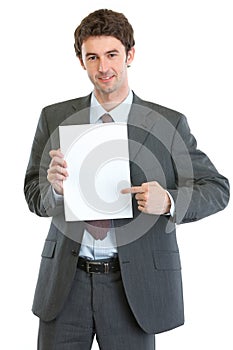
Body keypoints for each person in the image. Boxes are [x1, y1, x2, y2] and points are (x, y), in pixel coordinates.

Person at [24, 8, 230, 350]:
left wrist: (168, 201)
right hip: (65, 285)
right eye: (93, 57)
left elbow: (218, 188)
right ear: (81, 61)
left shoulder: (168, 123)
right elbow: (33, 192)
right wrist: (54, 189)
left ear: (129, 55)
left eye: (112, 55)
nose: (103, 67)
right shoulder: (55, 117)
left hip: (132, 289)